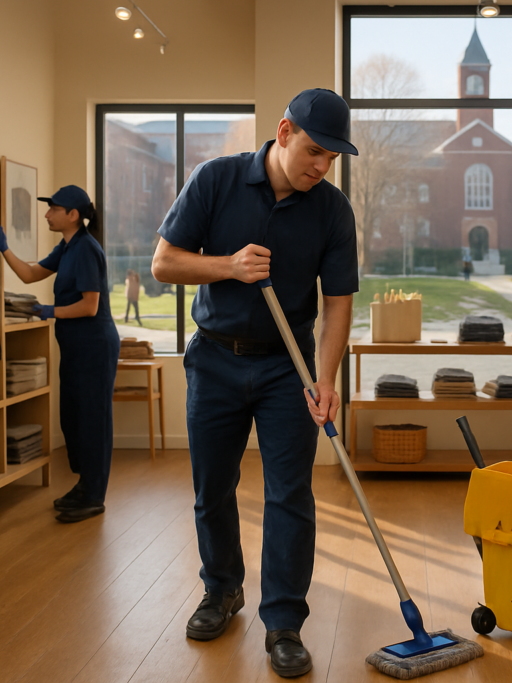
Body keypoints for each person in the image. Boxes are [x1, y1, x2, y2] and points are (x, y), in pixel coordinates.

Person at [150, 88, 359, 678]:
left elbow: (337, 302)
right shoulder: (215, 180)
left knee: (289, 493)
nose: (321, 167)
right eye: (315, 151)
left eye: (332, 158)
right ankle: (222, 590)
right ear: (284, 131)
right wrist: (228, 267)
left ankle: (284, 623)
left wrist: (325, 378)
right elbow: (164, 263)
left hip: (286, 370)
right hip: (213, 360)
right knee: (211, 486)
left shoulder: (331, 210)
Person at [0, 186, 120, 522]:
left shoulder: (87, 249)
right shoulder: (67, 246)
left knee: (92, 420)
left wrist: (48, 311)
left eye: (53, 209)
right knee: (73, 417)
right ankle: (84, 484)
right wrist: (3, 250)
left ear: (72, 215)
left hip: (94, 347)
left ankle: (94, 494)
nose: (47, 214)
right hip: (76, 347)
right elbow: (31, 274)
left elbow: (90, 307)